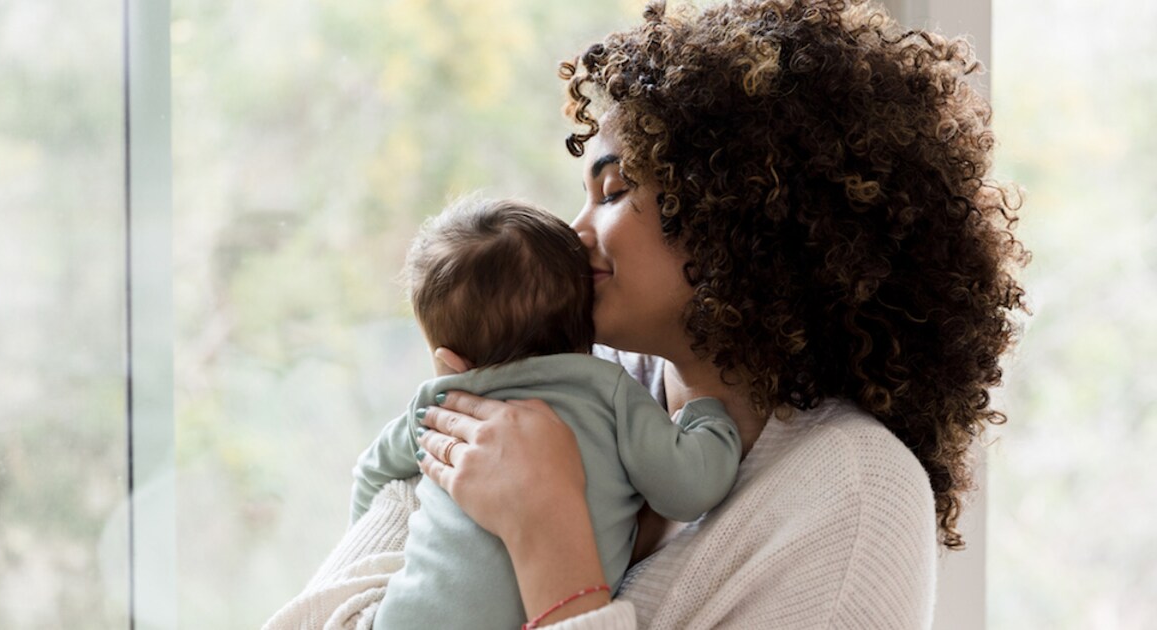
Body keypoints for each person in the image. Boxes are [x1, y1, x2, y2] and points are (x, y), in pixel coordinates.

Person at [267, 0, 1026, 628]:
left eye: (614, 189)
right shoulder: (567, 370)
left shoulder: (852, 497)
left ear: (742, 214)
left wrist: (549, 536)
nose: (572, 232)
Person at [275, 195, 742, 630]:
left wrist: (380, 558)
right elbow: (691, 490)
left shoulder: (440, 405)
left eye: (611, 192)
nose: (582, 230)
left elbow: (372, 472)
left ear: (450, 361)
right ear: (587, 329)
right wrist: (709, 413)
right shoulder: (609, 392)